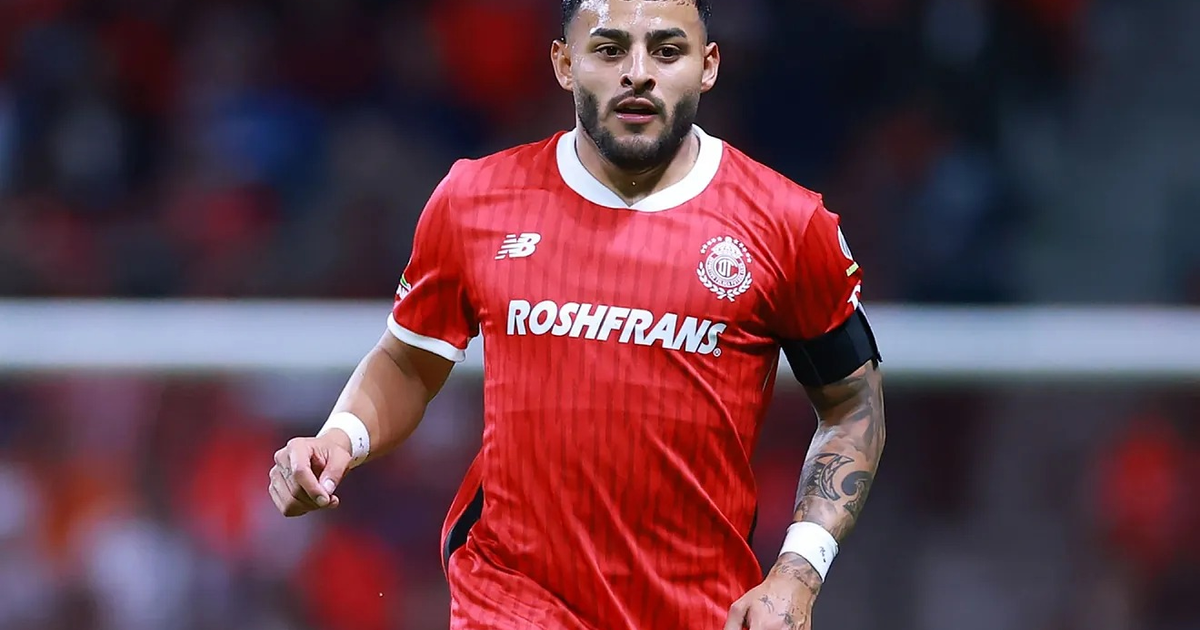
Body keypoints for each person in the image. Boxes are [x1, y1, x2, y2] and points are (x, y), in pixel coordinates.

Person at [267, 1, 887, 628]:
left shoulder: (787, 223)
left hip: (699, 610)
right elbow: (408, 359)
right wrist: (339, 438)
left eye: (667, 51)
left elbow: (852, 405)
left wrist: (797, 573)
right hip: (508, 601)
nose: (637, 73)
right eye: (610, 49)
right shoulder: (475, 199)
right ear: (564, 63)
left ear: (709, 66)